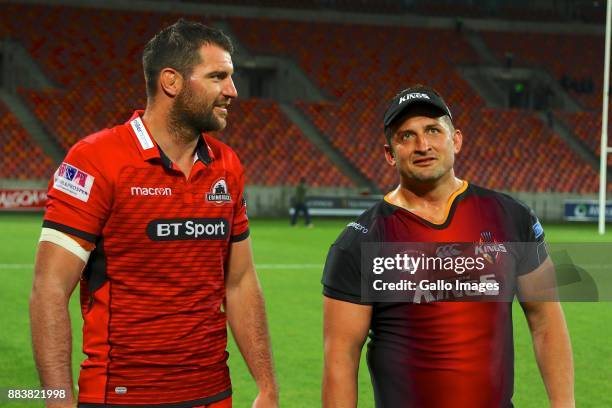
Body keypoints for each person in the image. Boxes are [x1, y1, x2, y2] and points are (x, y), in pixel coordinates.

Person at [30, 19, 278, 408]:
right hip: (121, 396)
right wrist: (58, 401)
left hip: (213, 394)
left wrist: (267, 385)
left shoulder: (227, 166)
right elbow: (50, 289)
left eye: (231, 77)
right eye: (218, 77)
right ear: (171, 82)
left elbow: (241, 281)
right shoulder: (96, 160)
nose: (232, 91)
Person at [321, 85, 574, 407]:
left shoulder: (511, 217)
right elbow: (340, 360)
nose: (422, 145)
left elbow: (546, 319)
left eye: (433, 130)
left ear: (456, 140)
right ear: (389, 153)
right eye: (406, 136)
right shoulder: (359, 242)